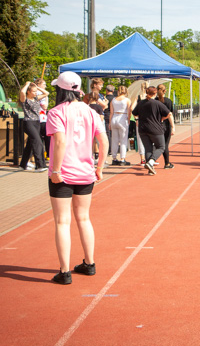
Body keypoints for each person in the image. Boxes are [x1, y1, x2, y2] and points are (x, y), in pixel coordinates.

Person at [46, 71, 108, 285]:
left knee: (62, 222)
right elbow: (104, 141)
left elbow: (61, 142)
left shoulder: (56, 112)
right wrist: (100, 166)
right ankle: (89, 263)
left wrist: (55, 170)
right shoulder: (90, 110)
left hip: (63, 173)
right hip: (85, 172)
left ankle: (64, 272)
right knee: (83, 218)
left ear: (60, 90)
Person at [132, 85, 174, 175]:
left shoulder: (141, 103)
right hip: (155, 129)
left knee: (148, 149)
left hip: (143, 129)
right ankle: (151, 162)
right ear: (155, 93)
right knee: (161, 146)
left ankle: (150, 169)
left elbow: (134, 112)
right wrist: (162, 119)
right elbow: (169, 113)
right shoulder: (157, 103)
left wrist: (139, 118)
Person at [19, 81, 48, 172]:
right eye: (34, 91)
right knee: (37, 142)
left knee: (30, 144)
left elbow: (46, 93)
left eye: (36, 92)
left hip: (36, 122)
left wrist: (36, 87)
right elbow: (22, 92)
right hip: (28, 122)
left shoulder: (36, 98)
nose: (36, 93)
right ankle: (39, 165)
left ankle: (23, 164)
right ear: (28, 91)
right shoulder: (24, 99)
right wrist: (27, 84)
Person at [109, 86, 132, 166]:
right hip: (123, 118)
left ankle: (114, 158)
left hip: (114, 118)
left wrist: (109, 123)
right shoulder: (127, 100)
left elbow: (111, 112)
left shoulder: (113, 100)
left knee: (114, 140)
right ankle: (122, 159)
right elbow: (129, 111)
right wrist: (128, 120)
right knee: (123, 140)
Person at [156, 84, 175, 169]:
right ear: (165, 91)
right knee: (165, 145)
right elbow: (170, 114)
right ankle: (167, 163)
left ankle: (151, 159)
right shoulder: (168, 101)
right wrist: (173, 126)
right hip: (166, 125)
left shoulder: (154, 101)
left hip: (156, 124)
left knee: (157, 144)